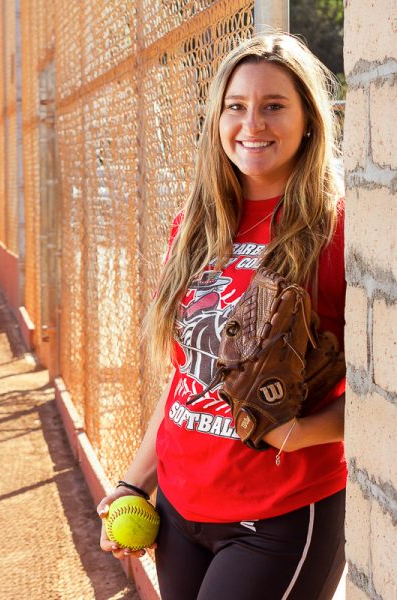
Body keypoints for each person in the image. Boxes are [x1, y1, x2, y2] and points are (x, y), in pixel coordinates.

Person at [97, 33, 346, 599]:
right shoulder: (197, 228)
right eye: (236, 106)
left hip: (278, 513)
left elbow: (382, 399)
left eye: (274, 106)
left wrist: (300, 432)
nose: (251, 123)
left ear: (309, 117)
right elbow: (185, 379)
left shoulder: (336, 233)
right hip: (183, 509)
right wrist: (133, 483)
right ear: (217, 119)